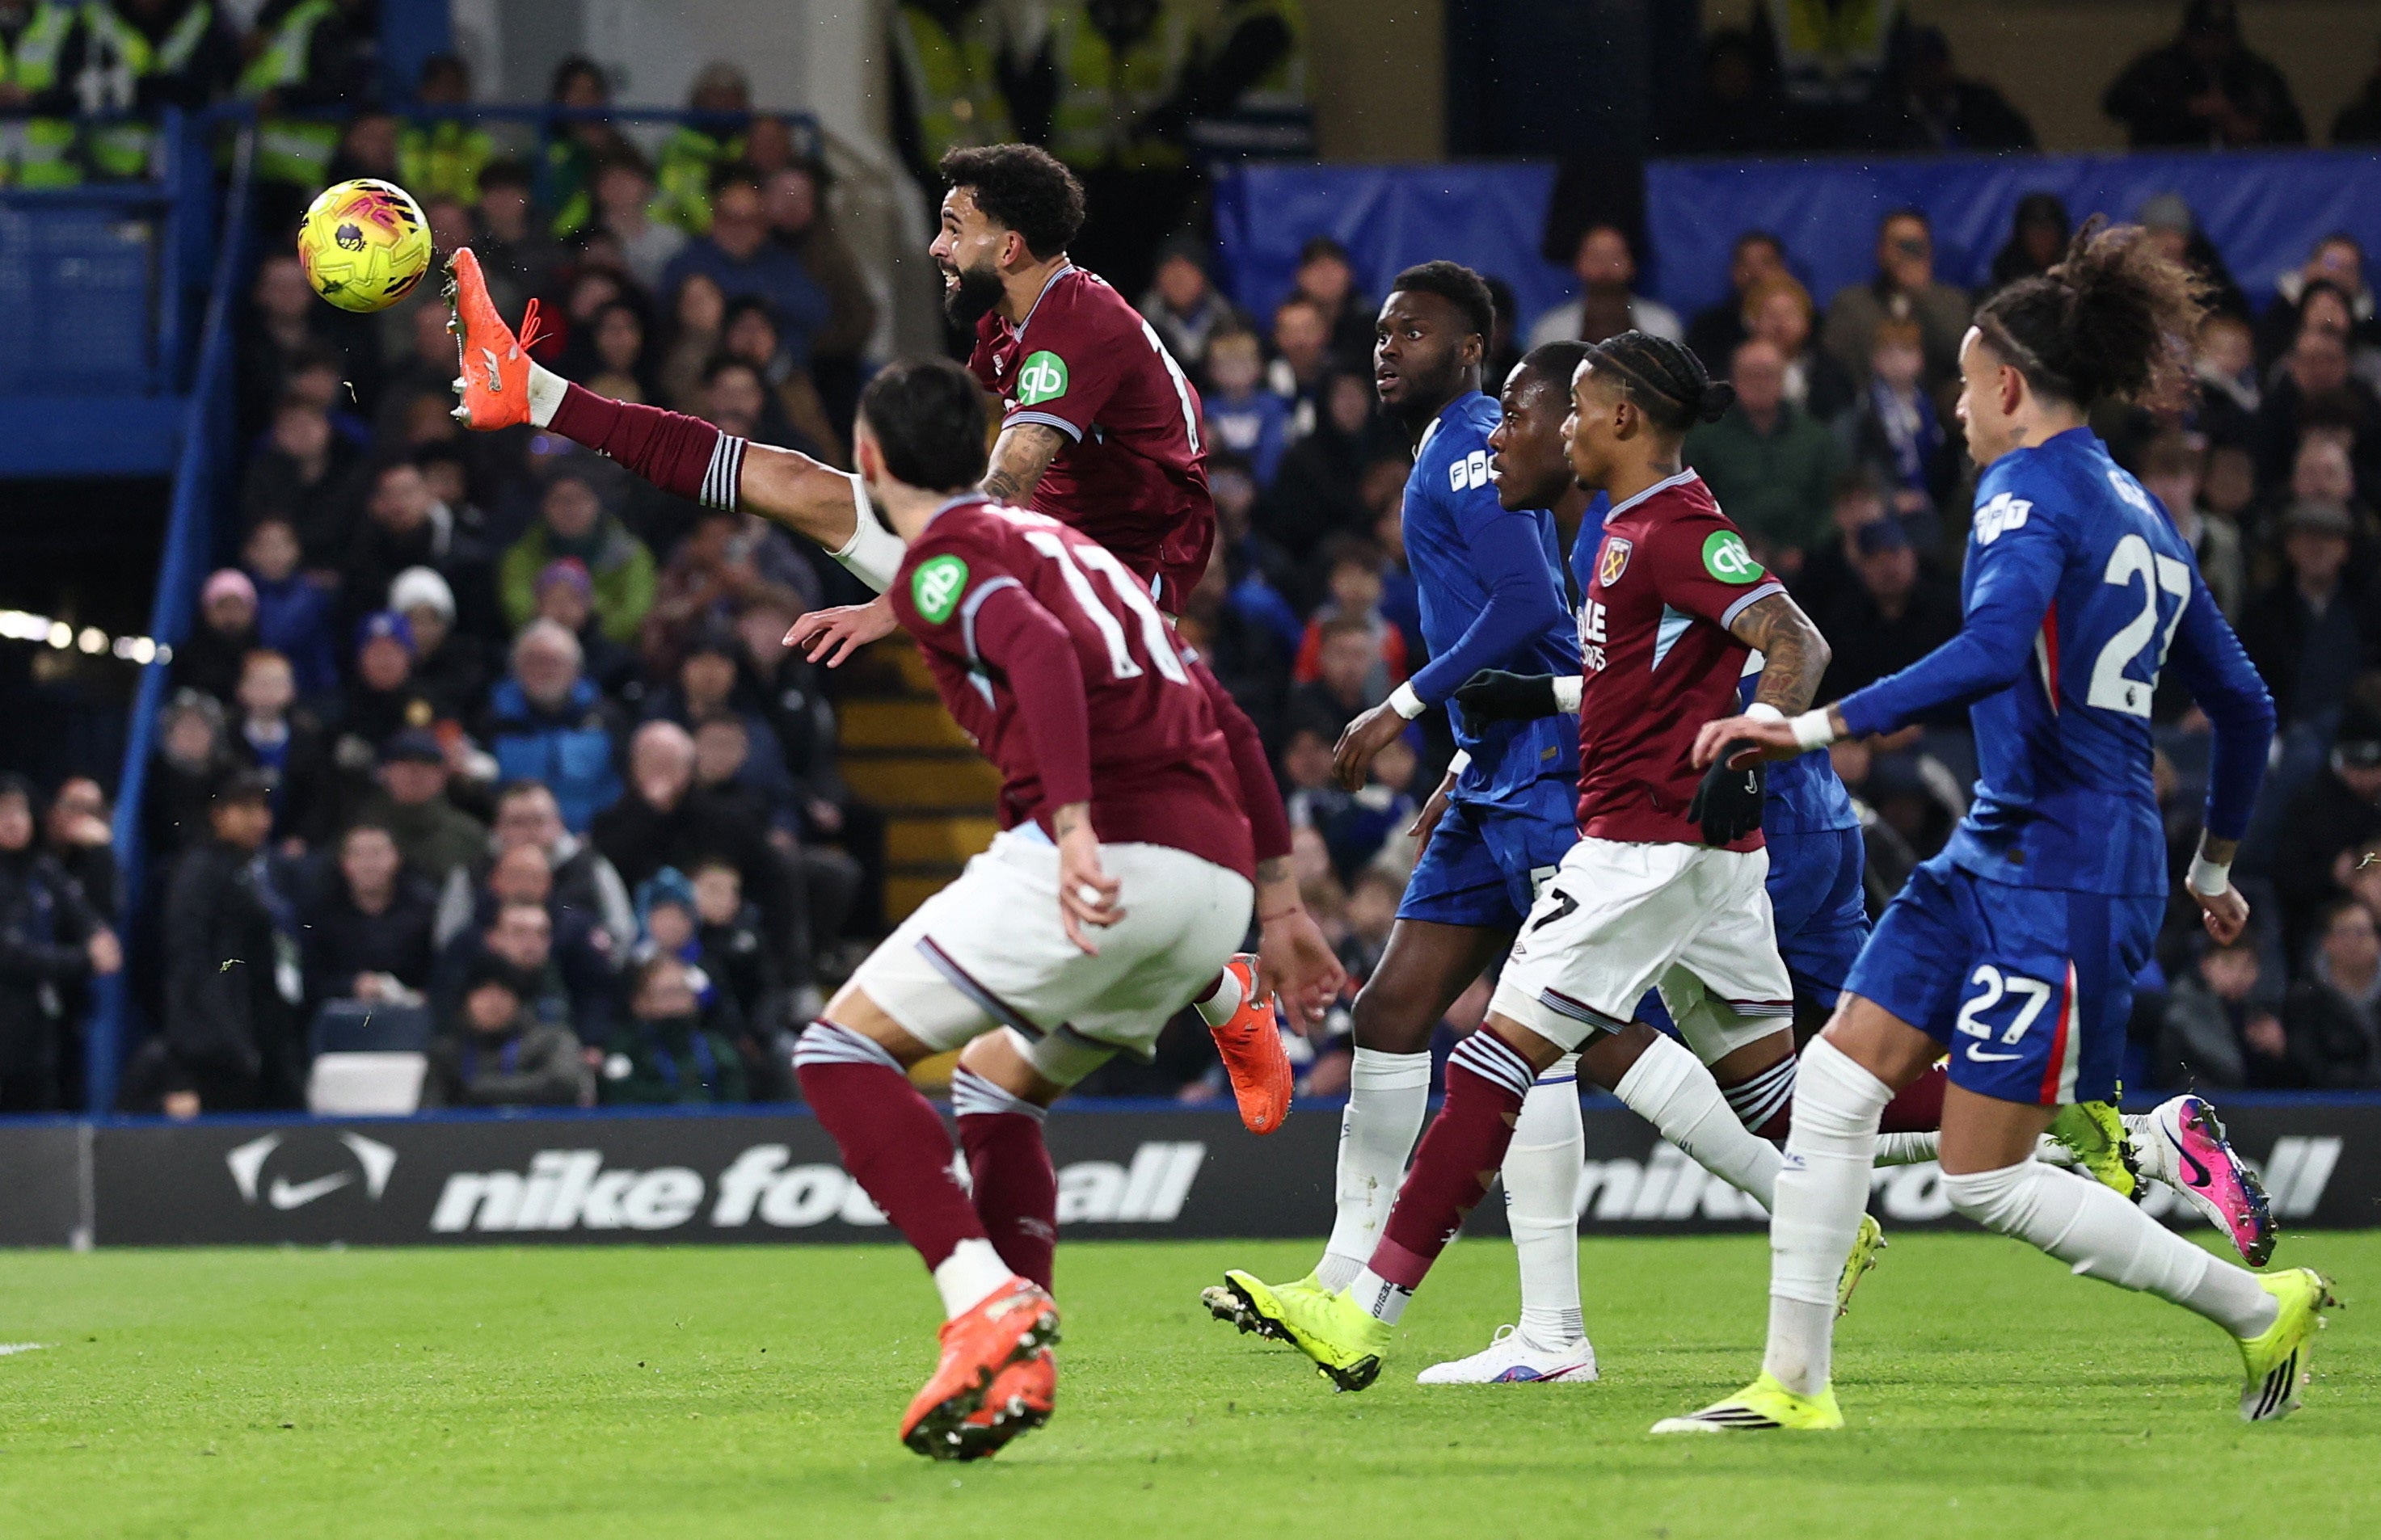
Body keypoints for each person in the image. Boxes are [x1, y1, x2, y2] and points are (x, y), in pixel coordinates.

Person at [445, 145, 1342, 1054]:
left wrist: (901, 599)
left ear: (1013, 241)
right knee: (795, 482)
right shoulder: (1009, 319)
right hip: (1037, 554)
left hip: (1112, 582)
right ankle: (531, 391)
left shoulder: (1076, 319)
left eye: (954, 228)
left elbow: (1012, 480)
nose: (936, 249)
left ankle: (1225, 992)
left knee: (1096, 840)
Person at [1655, 221, 2321, 1436]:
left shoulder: (2023, 489)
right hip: (2005, 850)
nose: (1957, 410)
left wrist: (1802, 728)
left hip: (2059, 870)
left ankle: (2254, 1304)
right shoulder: (2144, 512)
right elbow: (2243, 702)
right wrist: (2210, 863)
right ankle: (1790, 1386)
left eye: (1964, 384)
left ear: (2007, 386)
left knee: (1984, 1175)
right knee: (1835, 1084)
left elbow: (1987, 650)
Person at [1221, 324, 1835, 1391]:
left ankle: (1362, 1309)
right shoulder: (1614, 526)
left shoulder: (1675, 526)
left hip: (1641, 845)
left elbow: (1796, 641)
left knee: (1497, 1058)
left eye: (1554, 408)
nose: (1531, 429)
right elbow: (1632, 681)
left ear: (1615, 419)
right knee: (1789, 1105)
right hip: (1688, 852)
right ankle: (2093, 1134)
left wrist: (1756, 732)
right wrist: (1489, 732)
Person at [778, 356, 1275, 1460]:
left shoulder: (951, 559)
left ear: (868, 460)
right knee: (994, 1086)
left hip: (1107, 857)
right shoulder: (1071, 547)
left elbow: (1036, 654)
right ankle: (1018, 1367)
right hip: (1214, 882)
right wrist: (1279, 902)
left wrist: (1074, 823)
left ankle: (981, 1298)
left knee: (837, 1054)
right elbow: (1226, 716)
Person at [154, 772, 303, 1114]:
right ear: (217, 814)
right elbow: (189, 964)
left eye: (264, 809)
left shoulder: (264, 869)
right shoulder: (199, 871)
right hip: (221, 1050)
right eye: (247, 809)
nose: (260, 820)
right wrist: (206, 1049)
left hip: (269, 1037)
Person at [0, 775, 118, 1112]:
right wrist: (84, 960)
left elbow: (87, 915)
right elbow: (10, 955)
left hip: (40, 1035)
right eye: (3, 811)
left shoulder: (42, 869)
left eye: (19, 810)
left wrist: (98, 937)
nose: (13, 821)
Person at [1685, 337, 1846, 573]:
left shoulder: (1816, 439)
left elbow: (1833, 503)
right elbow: (1693, 504)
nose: (1761, 383)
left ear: (1783, 378)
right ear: (1735, 380)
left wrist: (1805, 549)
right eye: (1751, 374)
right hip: (1726, 560)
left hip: (1809, 565)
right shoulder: (1704, 440)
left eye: (1769, 374)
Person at [657, 170, 833, 370]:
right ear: (714, 219)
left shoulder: (780, 262)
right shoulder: (688, 263)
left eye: (749, 221)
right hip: (708, 373)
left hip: (777, 372)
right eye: (729, 219)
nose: (739, 229)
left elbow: (817, 312)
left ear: (763, 224)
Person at [481, 621, 625, 835]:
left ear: (576, 669)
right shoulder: (492, 720)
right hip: (513, 846)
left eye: (554, 661)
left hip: (592, 842)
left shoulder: (608, 720)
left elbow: (620, 790)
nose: (545, 670)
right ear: (516, 668)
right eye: (535, 661)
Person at [2102, 0, 2305, 149]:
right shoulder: (2159, 67)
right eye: (2204, 36)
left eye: (2221, 36)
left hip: (2242, 177)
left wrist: (2249, 126)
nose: (2213, 45)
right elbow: (2116, 104)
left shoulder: (2255, 71)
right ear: (2188, 36)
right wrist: (2187, 109)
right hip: (2170, 171)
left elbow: (2293, 131)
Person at [497, 465, 656, 645]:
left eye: (579, 499)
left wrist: (587, 628)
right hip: (540, 648)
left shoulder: (630, 555)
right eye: (559, 500)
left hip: (609, 653)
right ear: (544, 506)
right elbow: (517, 604)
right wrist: (554, 628)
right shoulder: (522, 554)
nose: (569, 509)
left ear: (597, 503)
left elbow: (636, 611)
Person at [300, 823, 436, 1027]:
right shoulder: (321, 914)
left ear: (396, 858)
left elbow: (438, 974)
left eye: (377, 854)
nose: (368, 864)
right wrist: (353, 986)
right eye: (359, 855)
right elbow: (310, 982)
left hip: (408, 1020)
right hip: (340, 1025)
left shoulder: (424, 911)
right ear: (344, 863)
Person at [1821, 208, 1970, 393]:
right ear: (1881, 250)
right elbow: (1838, 364)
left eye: (1915, 245)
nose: (1907, 253)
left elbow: (1960, 357)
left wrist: (1922, 295)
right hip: (1869, 409)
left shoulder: (1952, 302)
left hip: (1936, 410)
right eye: (1900, 245)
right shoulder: (1851, 304)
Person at [427, 953, 588, 1109]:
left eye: (503, 992)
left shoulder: (550, 1041)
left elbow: (564, 1084)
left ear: (518, 1000)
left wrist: (479, 1090)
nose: (493, 1002)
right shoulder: (447, 1054)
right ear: (465, 1001)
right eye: (483, 992)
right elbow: (428, 1116)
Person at [358, 730, 487, 887]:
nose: (414, 773)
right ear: (385, 772)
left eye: (426, 764)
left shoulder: (467, 835)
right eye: (403, 764)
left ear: (443, 775)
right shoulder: (361, 831)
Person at [1526, 225, 1682, 351]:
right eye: (1595, 257)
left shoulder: (1663, 326)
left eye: (1615, 258)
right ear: (1577, 264)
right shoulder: (1551, 330)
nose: (1605, 267)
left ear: (1632, 264)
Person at [2282, 900, 2381, 1088]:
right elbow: (2307, 1065)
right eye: (2344, 932)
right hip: (2329, 1107)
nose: (2353, 942)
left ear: (2376, 939)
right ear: (2327, 942)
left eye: (2361, 932)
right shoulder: (2304, 998)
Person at [1684, 231, 1787, 376]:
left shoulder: (1810, 325)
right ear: (1734, 271)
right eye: (1746, 263)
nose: (1755, 273)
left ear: (1782, 268)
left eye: (1766, 262)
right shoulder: (1709, 328)